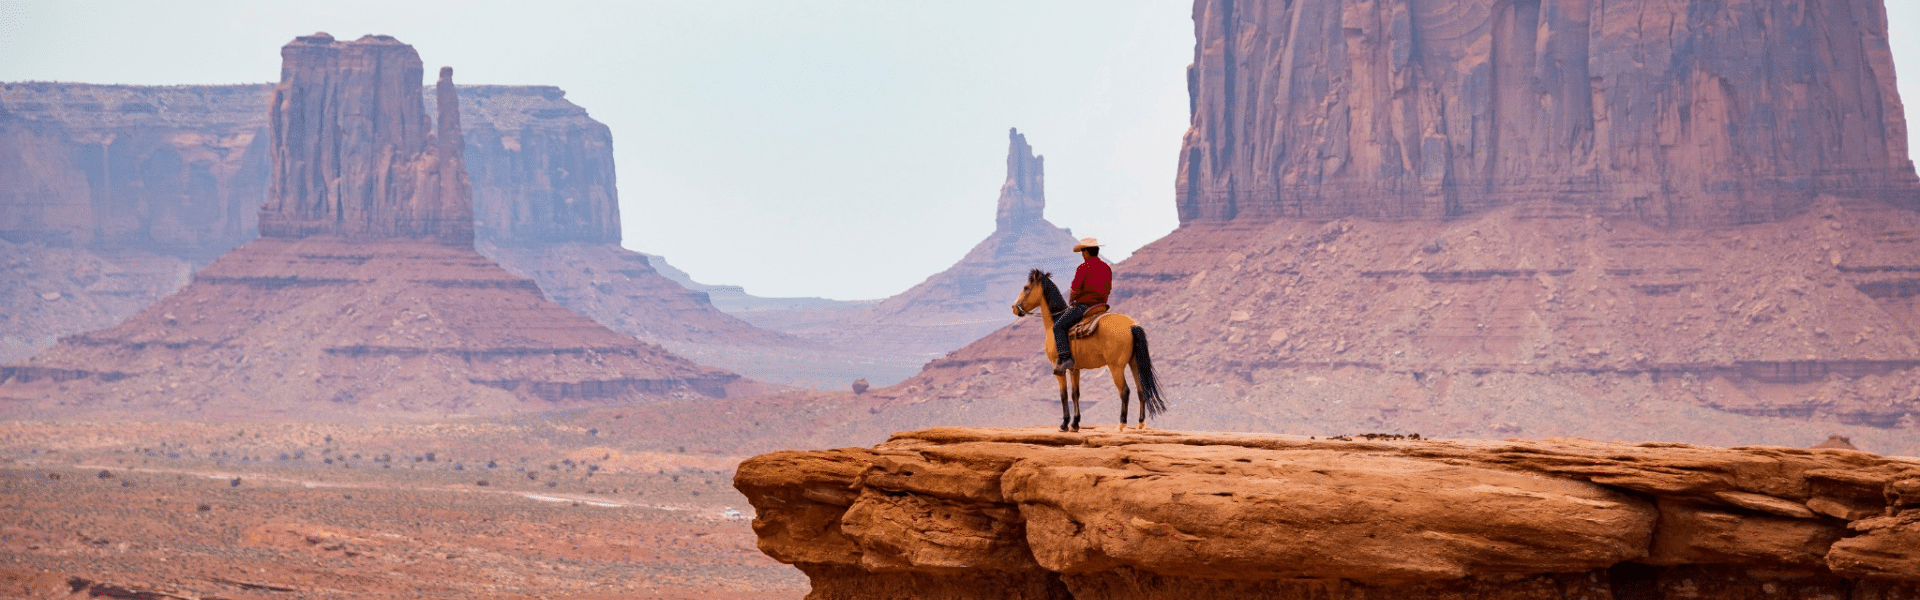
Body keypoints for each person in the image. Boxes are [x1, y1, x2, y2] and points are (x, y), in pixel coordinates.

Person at [1054, 237, 1112, 375]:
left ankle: (1066, 358)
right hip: (1102, 306)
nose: (1082, 254)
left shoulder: (1083, 267)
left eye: (1082, 251)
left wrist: (1071, 301)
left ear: (1086, 252)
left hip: (1085, 306)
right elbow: (1108, 288)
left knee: (1058, 327)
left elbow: (1075, 289)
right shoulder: (1106, 267)